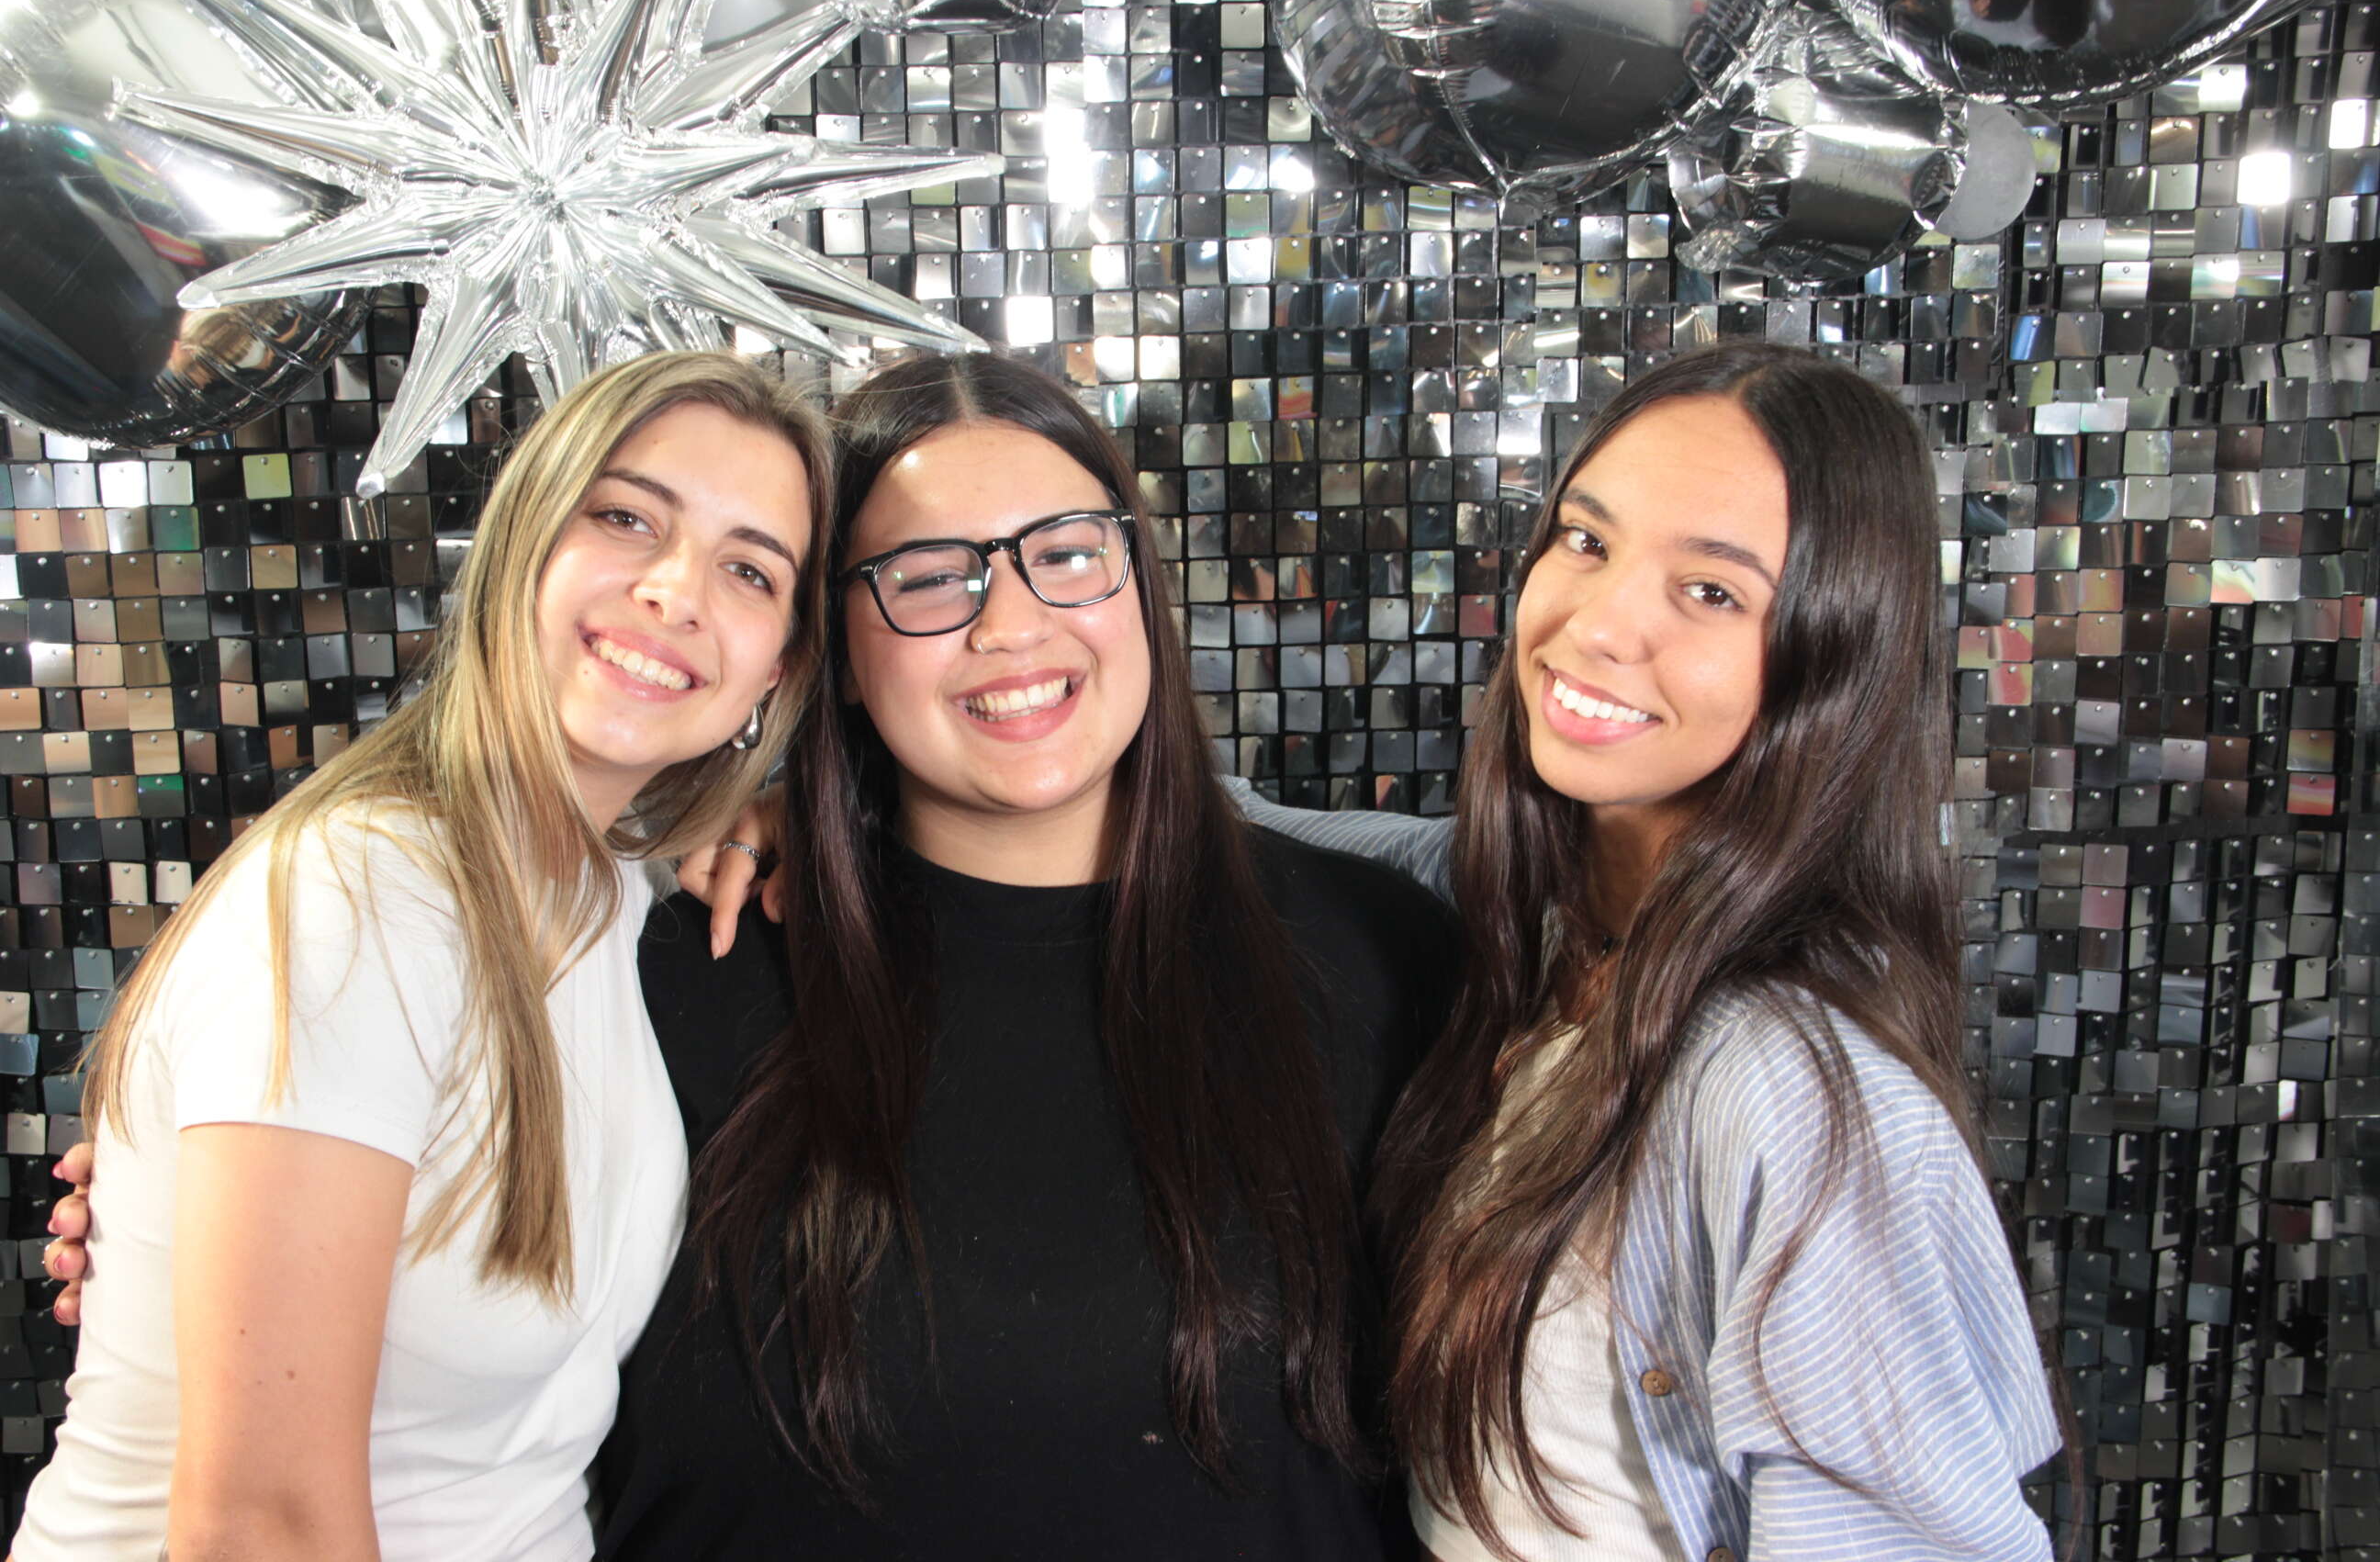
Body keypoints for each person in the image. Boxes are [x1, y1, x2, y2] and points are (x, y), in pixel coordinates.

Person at [694, 340, 2064, 1560]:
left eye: (1711, 590)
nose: (1600, 622)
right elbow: (1181, 811)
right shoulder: (1512, 929)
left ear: (1835, 650)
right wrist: (804, 791)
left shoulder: (1789, 1086)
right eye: (1585, 541)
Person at [594, 350, 1457, 1560]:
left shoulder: (1389, 958)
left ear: (1139, 584)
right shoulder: (670, 974)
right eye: (926, 578)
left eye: (1066, 553)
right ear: (835, 651)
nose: (1010, 623)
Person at [13, 349, 831, 1562]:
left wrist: (773, 817)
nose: (675, 591)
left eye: (749, 569)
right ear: (519, 546)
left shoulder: (616, 895)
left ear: (777, 668)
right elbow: (260, 1529)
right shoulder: (364, 897)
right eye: (624, 518)